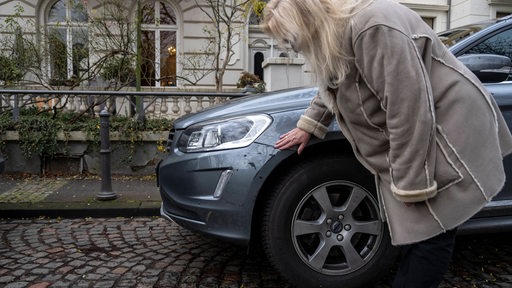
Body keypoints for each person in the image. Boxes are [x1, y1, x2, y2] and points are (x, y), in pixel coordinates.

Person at [261, 0, 512, 287]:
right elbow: (334, 77)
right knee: (418, 231)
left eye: (289, 39)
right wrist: (310, 124)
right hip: (425, 130)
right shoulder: (340, 28)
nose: (290, 48)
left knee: (433, 233)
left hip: (447, 131)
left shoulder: (372, 27)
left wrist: (411, 184)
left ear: (308, 22)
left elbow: (408, 109)